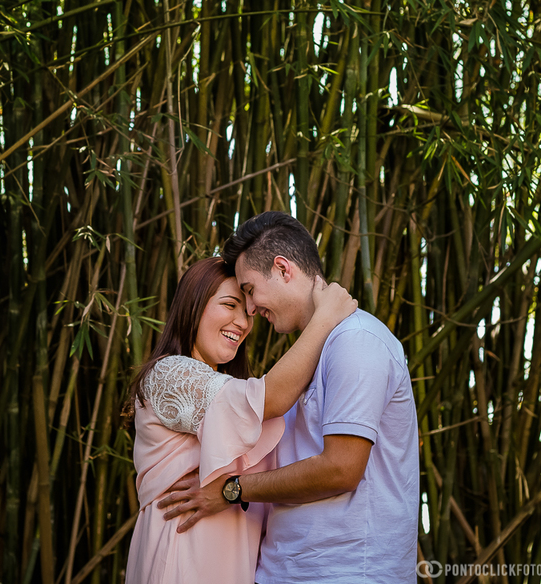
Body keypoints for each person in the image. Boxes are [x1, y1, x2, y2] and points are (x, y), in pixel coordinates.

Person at [158, 211, 419, 583]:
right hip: (289, 570)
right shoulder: (311, 353)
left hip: (346, 571)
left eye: (248, 290)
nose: (249, 312)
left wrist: (232, 489)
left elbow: (341, 468)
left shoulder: (356, 340)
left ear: (283, 269)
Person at [124, 256, 357, 584]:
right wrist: (325, 318)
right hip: (183, 556)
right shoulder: (169, 374)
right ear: (194, 305)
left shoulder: (230, 394)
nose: (243, 323)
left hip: (234, 561)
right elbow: (272, 398)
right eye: (229, 305)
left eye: (247, 313)